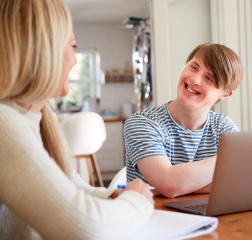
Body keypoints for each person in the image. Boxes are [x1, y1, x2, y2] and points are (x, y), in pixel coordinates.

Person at [0, 0, 154, 239]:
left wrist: (110, 196)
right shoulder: (4, 121)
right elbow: (85, 227)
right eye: (72, 46)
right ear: (42, 51)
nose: (74, 60)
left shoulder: (35, 117)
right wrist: (137, 199)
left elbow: (64, 183)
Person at [124, 43, 243, 198]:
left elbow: (241, 180)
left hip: (206, 216)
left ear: (225, 94)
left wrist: (179, 187)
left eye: (208, 78)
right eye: (194, 67)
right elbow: (169, 184)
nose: (195, 80)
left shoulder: (223, 126)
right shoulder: (141, 123)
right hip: (154, 216)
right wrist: (229, 158)